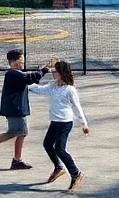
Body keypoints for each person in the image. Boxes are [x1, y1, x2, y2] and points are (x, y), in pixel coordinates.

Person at [0, 50, 53, 171]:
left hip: (16, 109)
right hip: (15, 109)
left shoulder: (17, 74)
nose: (23, 63)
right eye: (21, 60)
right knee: (16, 132)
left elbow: (30, 78)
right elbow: (31, 78)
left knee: (20, 132)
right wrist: (44, 69)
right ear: (13, 62)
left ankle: (16, 160)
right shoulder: (13, 74)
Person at [28, 60, 88, 191]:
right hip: (55, 122)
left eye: (55, 71)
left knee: (60, 149)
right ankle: (59, 167)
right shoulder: (53, 85)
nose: (53, 73)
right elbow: (40, 89)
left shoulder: (69, 89)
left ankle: (76, 173)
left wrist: (84, 124)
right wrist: (25, 84)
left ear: (62, 73)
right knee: (47, 144)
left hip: (65, 123)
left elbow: (76, 106)